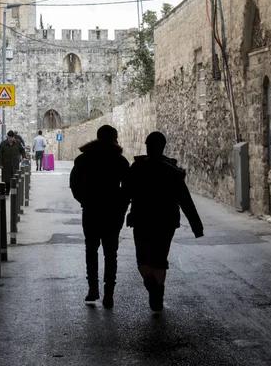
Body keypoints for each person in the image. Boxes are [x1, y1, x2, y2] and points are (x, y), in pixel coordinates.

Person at [127, 131, 204, 312]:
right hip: (166, 221)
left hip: (141, 219)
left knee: (143, 258)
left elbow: (126, 194)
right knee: (160, 258)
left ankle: (151, 285)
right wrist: (196, 226)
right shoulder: (172, 170)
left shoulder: (137, 168)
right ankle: (158, 293)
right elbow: (185, 200)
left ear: (147, 146)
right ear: (163, 147)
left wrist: (115, 216)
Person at [70, 125, 130, 309]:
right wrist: (121, 207)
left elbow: (74, 184)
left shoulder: (83, 159)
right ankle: (109, 293)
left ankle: (93, 288)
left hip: (91, 210)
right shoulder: (119, 161)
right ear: (113, 139)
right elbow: (127, 188)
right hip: (112, 212)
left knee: (91, 249)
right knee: (111, 253)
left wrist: (85, 200)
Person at [0, 130, 26, 195]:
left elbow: (22, 150)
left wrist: (23, 156)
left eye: (12, 138)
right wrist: (0, 163)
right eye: (10, 138)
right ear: (8, 137)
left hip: (15, 163)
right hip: (6, 164)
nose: (11, 139)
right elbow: (0, 154)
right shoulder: (3, 144)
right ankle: (7, 191)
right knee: (7, 179)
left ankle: (14, 191)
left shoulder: (17, 143)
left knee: (14, 177)